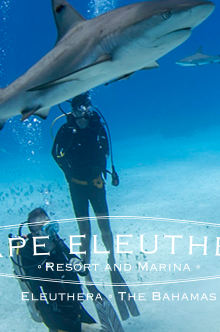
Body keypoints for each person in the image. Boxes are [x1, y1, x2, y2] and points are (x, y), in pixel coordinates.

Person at [51, 93, 139, 318]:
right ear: (72, 109)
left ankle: (112, 263)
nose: (84, 110)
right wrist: (69, 174)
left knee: (105, 228)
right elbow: (56, 155)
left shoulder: (98, 127)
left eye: (87, 106)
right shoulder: (65, 130)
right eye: (80, 107)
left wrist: (111, 173)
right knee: (85, 232)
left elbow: (107, 152)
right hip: (77, 187)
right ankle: (86, 269)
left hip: (97, 184)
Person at [11, 207, 103, 332]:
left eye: (52, 226)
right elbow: (43, 307)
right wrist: (82, 327)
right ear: (36, 235)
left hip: (74, 308)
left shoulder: (54, 240)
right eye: (46, 229)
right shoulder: (30, 259)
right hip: (58, 319)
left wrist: (79, 265)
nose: (52, 233)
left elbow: (81, 269)